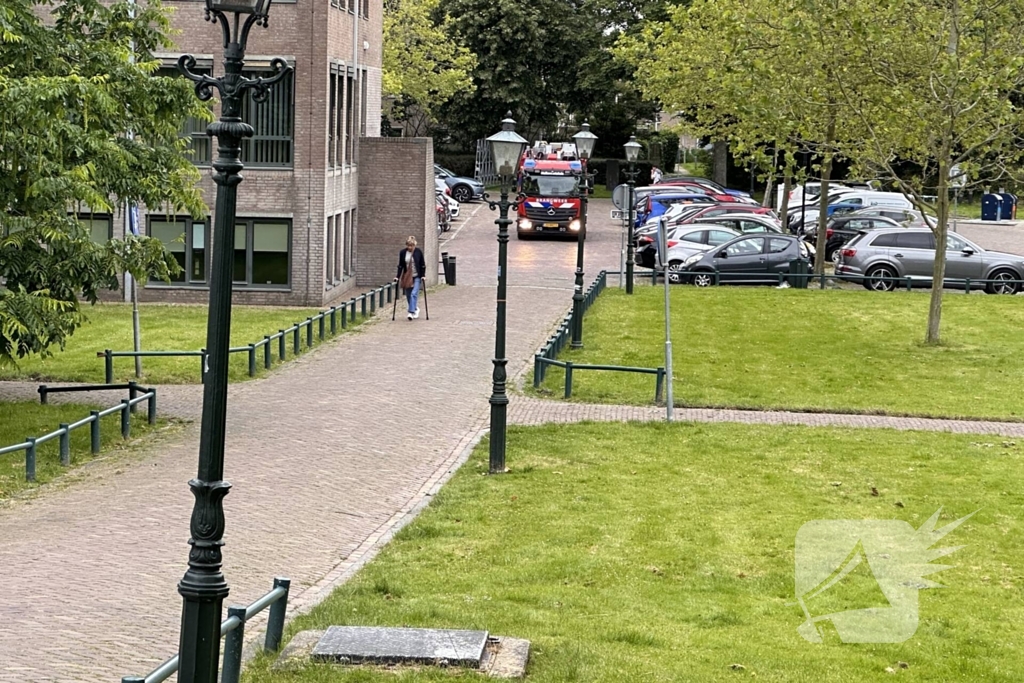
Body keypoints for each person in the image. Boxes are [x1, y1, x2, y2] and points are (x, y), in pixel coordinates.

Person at [395, 236, 426, 320]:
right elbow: (400, 265)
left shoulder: (418, 252)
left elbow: (422, 264)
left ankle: (410, 312)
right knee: (408, 295)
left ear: (414, 245)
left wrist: (423, 275)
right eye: (408, 245)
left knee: (414, 294)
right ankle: (415, 309)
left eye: (411, 245)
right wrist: (397, 276)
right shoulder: (402, 253)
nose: (410, 247)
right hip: (407, 277)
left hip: (417, 276)